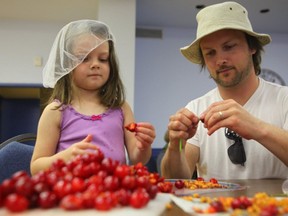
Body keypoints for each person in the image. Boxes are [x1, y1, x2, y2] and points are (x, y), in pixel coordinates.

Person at [161, 1, 288, 180]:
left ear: (252, 47)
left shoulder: (284, 99)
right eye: (210, 53)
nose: (220, 60)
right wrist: (176, 146)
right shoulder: (196, 109)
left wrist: (257, 128)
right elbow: (175, 180)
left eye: (229, 47)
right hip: (213, 208)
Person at [30, 20, 155, 175]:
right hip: (71, 195)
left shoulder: (121, 108)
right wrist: (64, 157)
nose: (95, 64)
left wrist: (144, 146)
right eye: (84, 58)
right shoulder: (55, 111)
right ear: (67, 65)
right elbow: (36, 167)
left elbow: (137, 159)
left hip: (113, 194)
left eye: (103, 59)